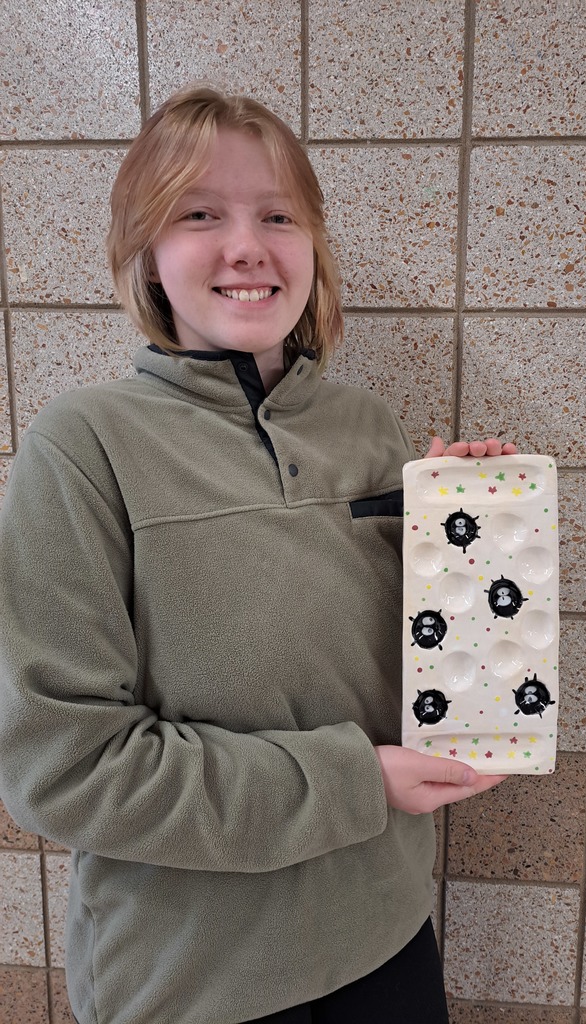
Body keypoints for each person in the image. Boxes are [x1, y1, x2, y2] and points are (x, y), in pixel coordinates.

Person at [0, 87, 516, 1024]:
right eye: (200, 215)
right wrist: (355, 781)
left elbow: (422, 680)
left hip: (387, 934)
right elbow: (66, 771)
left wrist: (469, 541)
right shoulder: (84, 446)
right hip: (192, 980)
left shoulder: (368, 428)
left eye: (278, 215)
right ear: (147, 253)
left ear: (313, 245)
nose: (247, 246)